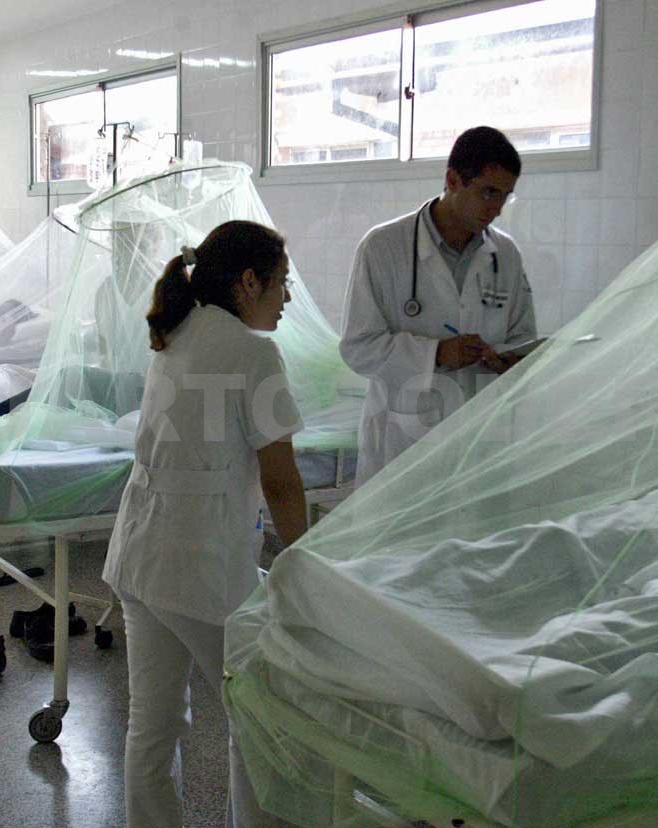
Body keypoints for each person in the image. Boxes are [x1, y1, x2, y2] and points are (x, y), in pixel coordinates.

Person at [101, 220, 306, 828]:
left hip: (139, 554)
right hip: (199, 564)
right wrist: (305, 560)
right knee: (258, 715)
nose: (287, 298)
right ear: (249, 282)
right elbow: (280, 480)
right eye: (282, 283)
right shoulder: (254, 353)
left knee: (153, 723)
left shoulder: (178, 331)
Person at [340, 125, 538, 485]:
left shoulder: (505, 255)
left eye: (505, 196)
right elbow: (358, 348)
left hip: (479, 439)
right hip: (403, 441)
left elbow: (523, 336)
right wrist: (436, 354)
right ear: (452, 180)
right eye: (487, 192)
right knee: (400, 517)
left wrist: (510, 359)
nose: (496, 208)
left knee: (473, 518)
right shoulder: (383, 247)